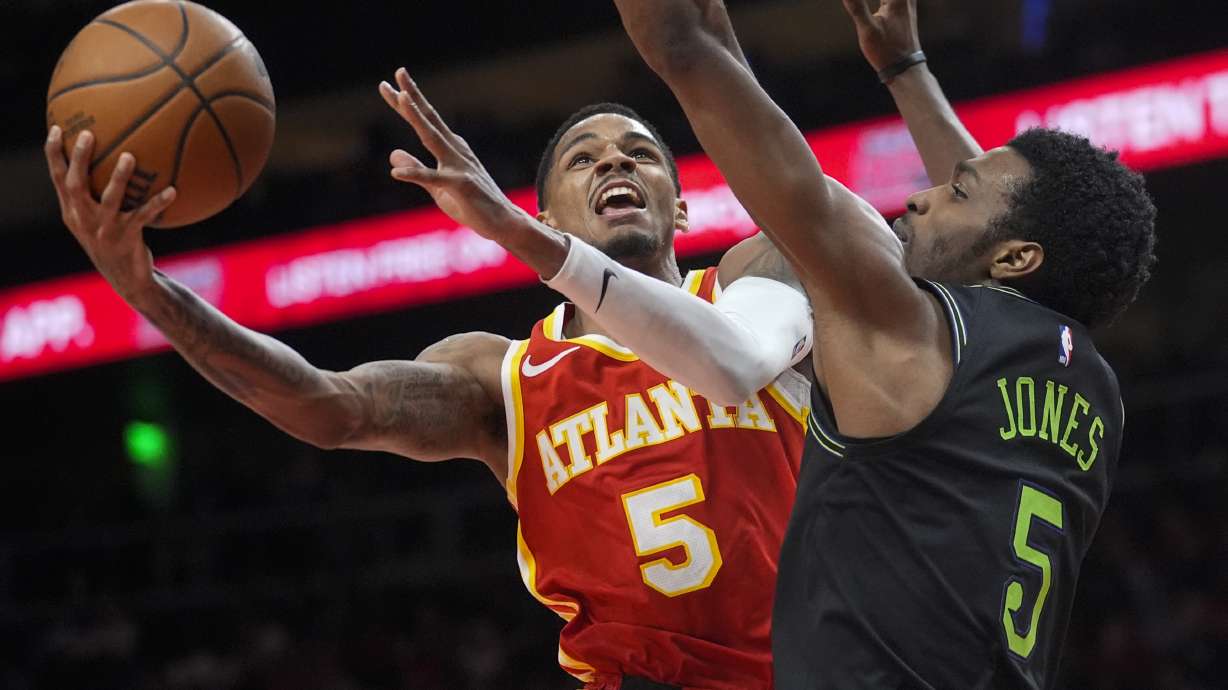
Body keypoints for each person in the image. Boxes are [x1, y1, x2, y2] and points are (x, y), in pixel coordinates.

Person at [44, 66, 813, 688]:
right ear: (547, 219)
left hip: (824, 664)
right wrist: (149, 291)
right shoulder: (501, 378)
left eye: (641, 153)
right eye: (583, 158)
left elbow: (737, 360)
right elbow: (326, 406)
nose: (615, 160)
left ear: (680, 210)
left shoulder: (751, 283)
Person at [610, 0, 1158, 688]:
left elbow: (684, 44)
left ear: (1018, 259)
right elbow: (1012, 220)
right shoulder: (1094, 389)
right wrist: (905, 68)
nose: (922, 198)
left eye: (954, 193)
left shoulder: (906, 327)